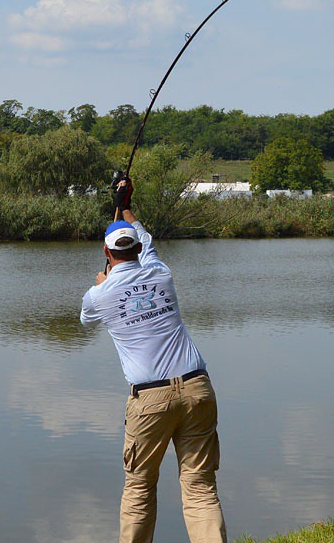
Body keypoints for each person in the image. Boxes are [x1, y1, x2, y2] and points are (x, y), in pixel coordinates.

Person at [80, 176, 227, 543]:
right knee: (200, 487)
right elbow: (145, 239)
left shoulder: (99, 295)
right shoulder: (161, 273)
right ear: (135, 249)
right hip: (197, 388)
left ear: (107, 252)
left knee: (140, 489)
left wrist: (103, 282)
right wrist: (126, 203)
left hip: (149, 400)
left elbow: (85, 319)